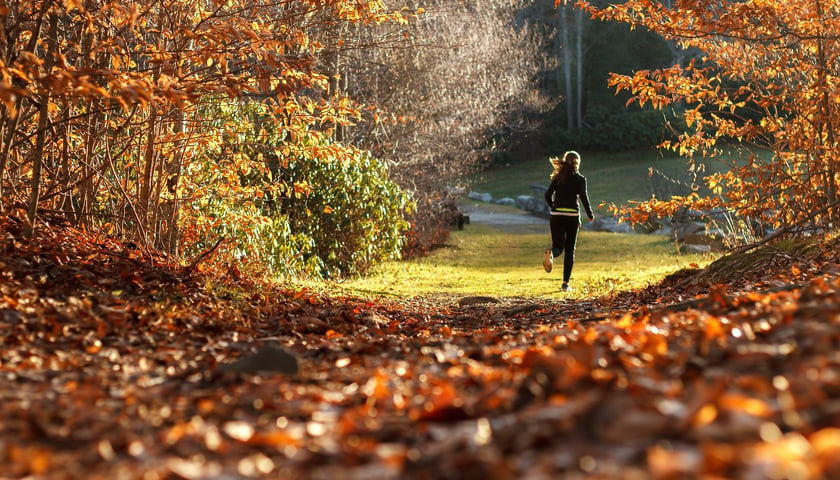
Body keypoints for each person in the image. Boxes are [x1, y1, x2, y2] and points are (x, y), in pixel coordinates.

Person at [543, 150, 594, 292]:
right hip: (572, 217)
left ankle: (551, 253)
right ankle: (565, 284)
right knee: (570, 250)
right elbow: (583, 197)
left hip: (556, 215)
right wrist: (590, 214)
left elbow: (547, 195)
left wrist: (553, 207)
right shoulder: (580, 179)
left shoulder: (558, 177)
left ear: (565, 161)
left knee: (558, 246)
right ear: (578, 163)